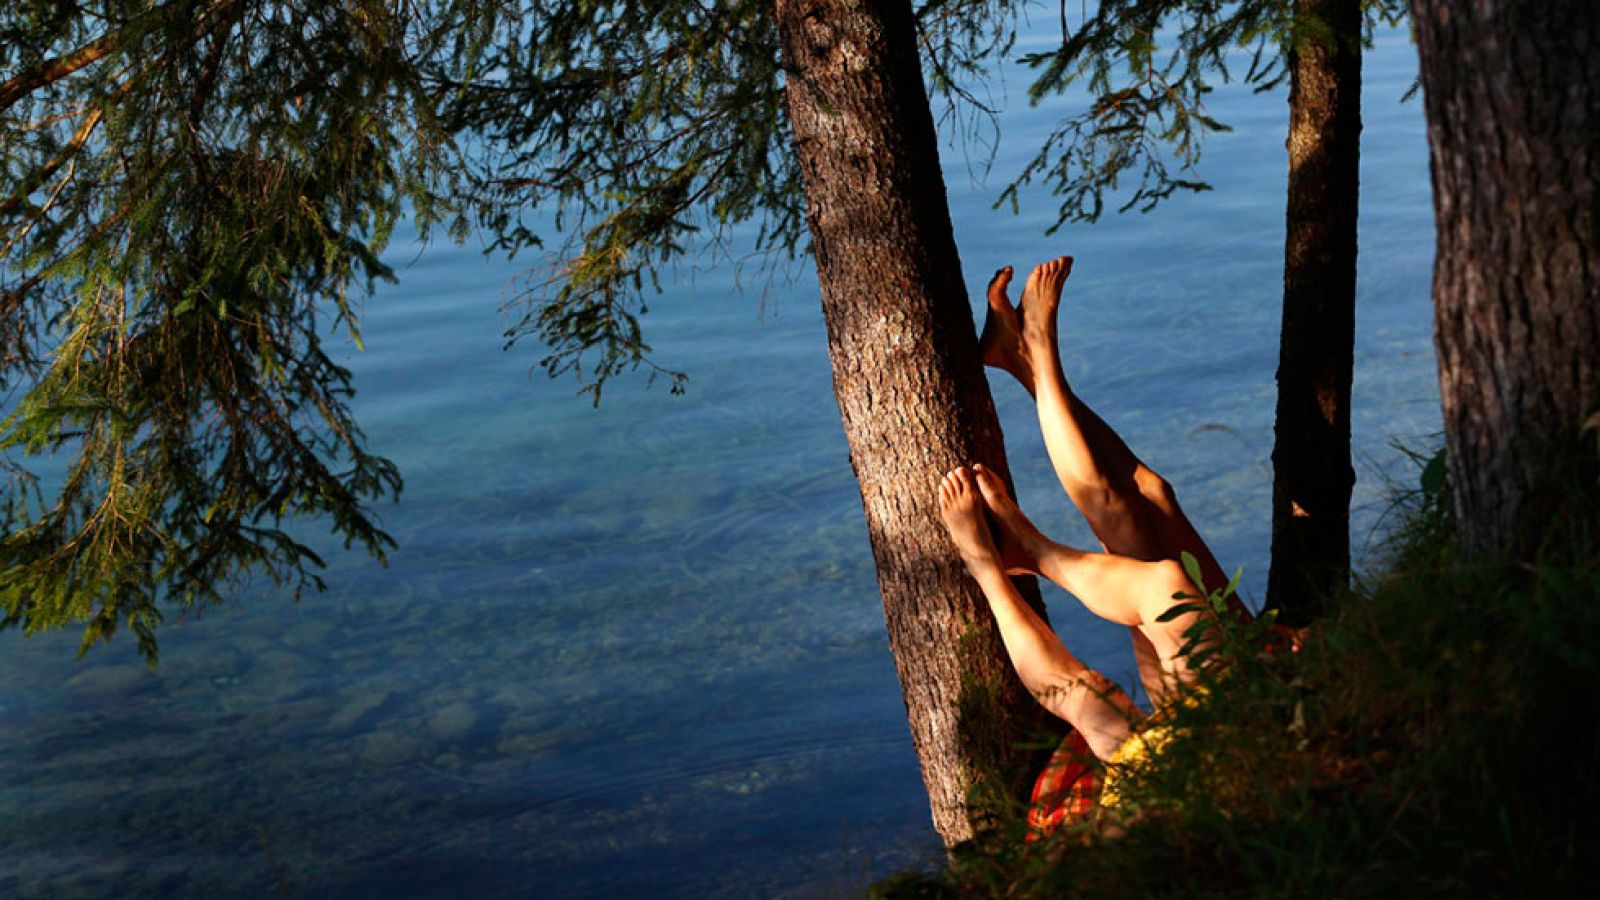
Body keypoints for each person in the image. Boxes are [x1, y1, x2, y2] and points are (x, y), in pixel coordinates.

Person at [936, 256, 1245, 813]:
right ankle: (1027, 364)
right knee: (1152, 496)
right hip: (1241, 711)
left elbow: (1070, 685)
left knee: (1091, 688)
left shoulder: (1167, 786)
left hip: (1190, 767)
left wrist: (987, 566)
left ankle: (1001, 557)